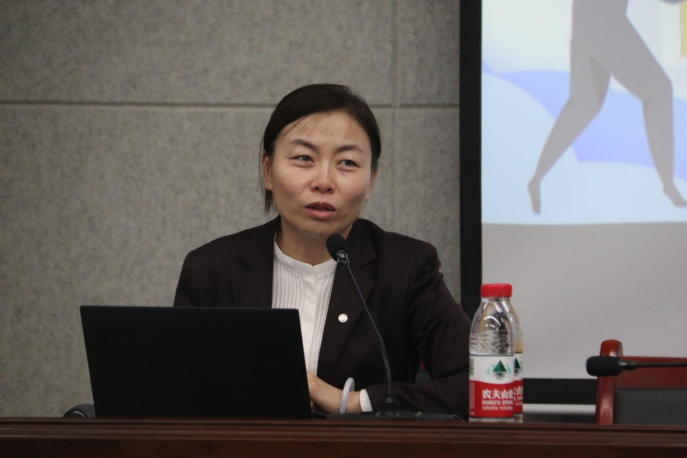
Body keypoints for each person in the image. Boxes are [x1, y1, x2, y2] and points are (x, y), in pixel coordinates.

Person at [173, 83, 470, 417]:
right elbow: (176, 392)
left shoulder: (406, 268)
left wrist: (352, 402)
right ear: (267, 170)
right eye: (304, 158)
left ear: (371, 180)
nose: (324, 181)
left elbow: (478, 384)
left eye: (347, 162)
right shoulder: (213, 270)